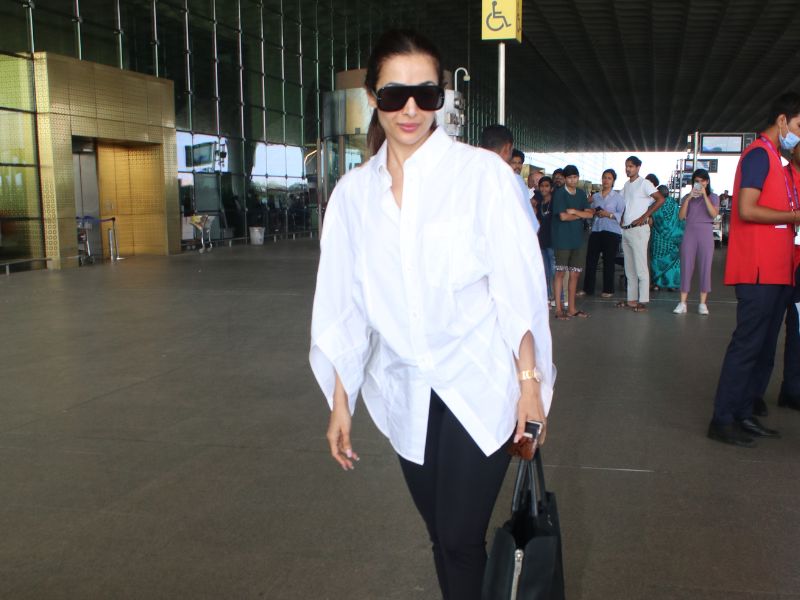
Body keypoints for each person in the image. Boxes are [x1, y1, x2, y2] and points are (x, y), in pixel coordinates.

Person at [309, 30, 555, 599]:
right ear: (373, 97)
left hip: (480, 379)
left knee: (460, 536)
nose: (411, 109)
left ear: (442, 97)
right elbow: (345, 304)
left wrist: (529, 385)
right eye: (394, 95)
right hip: (405, 388)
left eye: (426, 94)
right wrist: (341, 401)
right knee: (442, 537)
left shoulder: (482, 176)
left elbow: (516, 287)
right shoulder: (353, 196)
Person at [708, 91, 800, 447]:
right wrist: (794, 216)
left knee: (762, 347)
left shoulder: (777, 159)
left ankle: (744, 413)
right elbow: (746, 209)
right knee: (747, 345)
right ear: (782, 120)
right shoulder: (759, 155)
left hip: (778, 270)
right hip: (759, 269)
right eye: (799, 126)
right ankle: (722, 419)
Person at [617, 156, 664, 312]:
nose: (628, 169)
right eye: (626, 166)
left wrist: (644, 216)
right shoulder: (626, 185)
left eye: (631, 166)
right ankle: (631, 299)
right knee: (629, 268)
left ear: (638, 167)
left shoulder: (645, 183)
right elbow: (622, 203)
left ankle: (643, 300)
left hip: (639, 230)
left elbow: (660, 199)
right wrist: (621, 218)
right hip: (626, 229)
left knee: (640, 267)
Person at [673, 169, 719, 315]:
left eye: (702, 181)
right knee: (686, 265)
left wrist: (704, 195)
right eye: (697, 181)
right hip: (690, 232)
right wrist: (688, 199)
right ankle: (682, 302)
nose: (700, 184)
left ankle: (703, 303)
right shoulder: (687, 197)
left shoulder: (713, 197)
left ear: (707, 182)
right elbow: (681, 216)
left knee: (705, 266)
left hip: (706, 232)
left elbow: (713, 214)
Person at [551, 164, 594, 319]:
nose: (573, 180)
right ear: (565, 178)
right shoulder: (559, 193)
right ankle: (558, 309)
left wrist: (575, 211)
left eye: (575, 177)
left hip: (578, 238)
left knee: (575, 274)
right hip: (562, 238)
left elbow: (590, 214)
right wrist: (581, 214)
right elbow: (563, 217)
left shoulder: (581, 193)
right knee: (560, 273)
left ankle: (572, 308)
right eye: (569, 177)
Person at [480, 127, 538, 232]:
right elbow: (530, 225)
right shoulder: (513, 180)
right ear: (507, 147)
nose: (517, 166)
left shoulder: (467, 174)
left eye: (519, 163)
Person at [777, 140, 800, 411]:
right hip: (778, 261)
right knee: (766, 330)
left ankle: (792, 390)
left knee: (797, 329)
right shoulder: (779, 177)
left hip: (799, 264)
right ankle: (752, 395)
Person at [583, 168, 625, 297]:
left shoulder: (618, 197)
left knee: (608, 261)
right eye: (604, 177)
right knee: (591, 260)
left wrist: (608, 214)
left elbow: (621, 215)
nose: (606, 180)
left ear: (613, 181)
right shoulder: (595, 196)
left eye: (609, 178)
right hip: (596, 229)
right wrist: (595, 212)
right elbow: (590, 212)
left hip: (611, 231)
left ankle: (608, 289)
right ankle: (588, 289)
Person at [650, 184, 684, 293]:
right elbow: (680, 220)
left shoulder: (656, 205)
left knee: (657, 260)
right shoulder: (675, 205)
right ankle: (673, 285)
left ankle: (657, 284)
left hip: (659, 240)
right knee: (674, 262)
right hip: (673, 240)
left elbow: (653, 220)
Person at [536, 175, 556, 303]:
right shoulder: (540, 204)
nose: (544, 188)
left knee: (554, 271)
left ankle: (558, 297)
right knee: (546, 271)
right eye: (542, 186)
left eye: (547, 186)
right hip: (542, 240)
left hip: (553, 240)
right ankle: (549, 296)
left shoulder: (555, 203)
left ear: (551, 188)